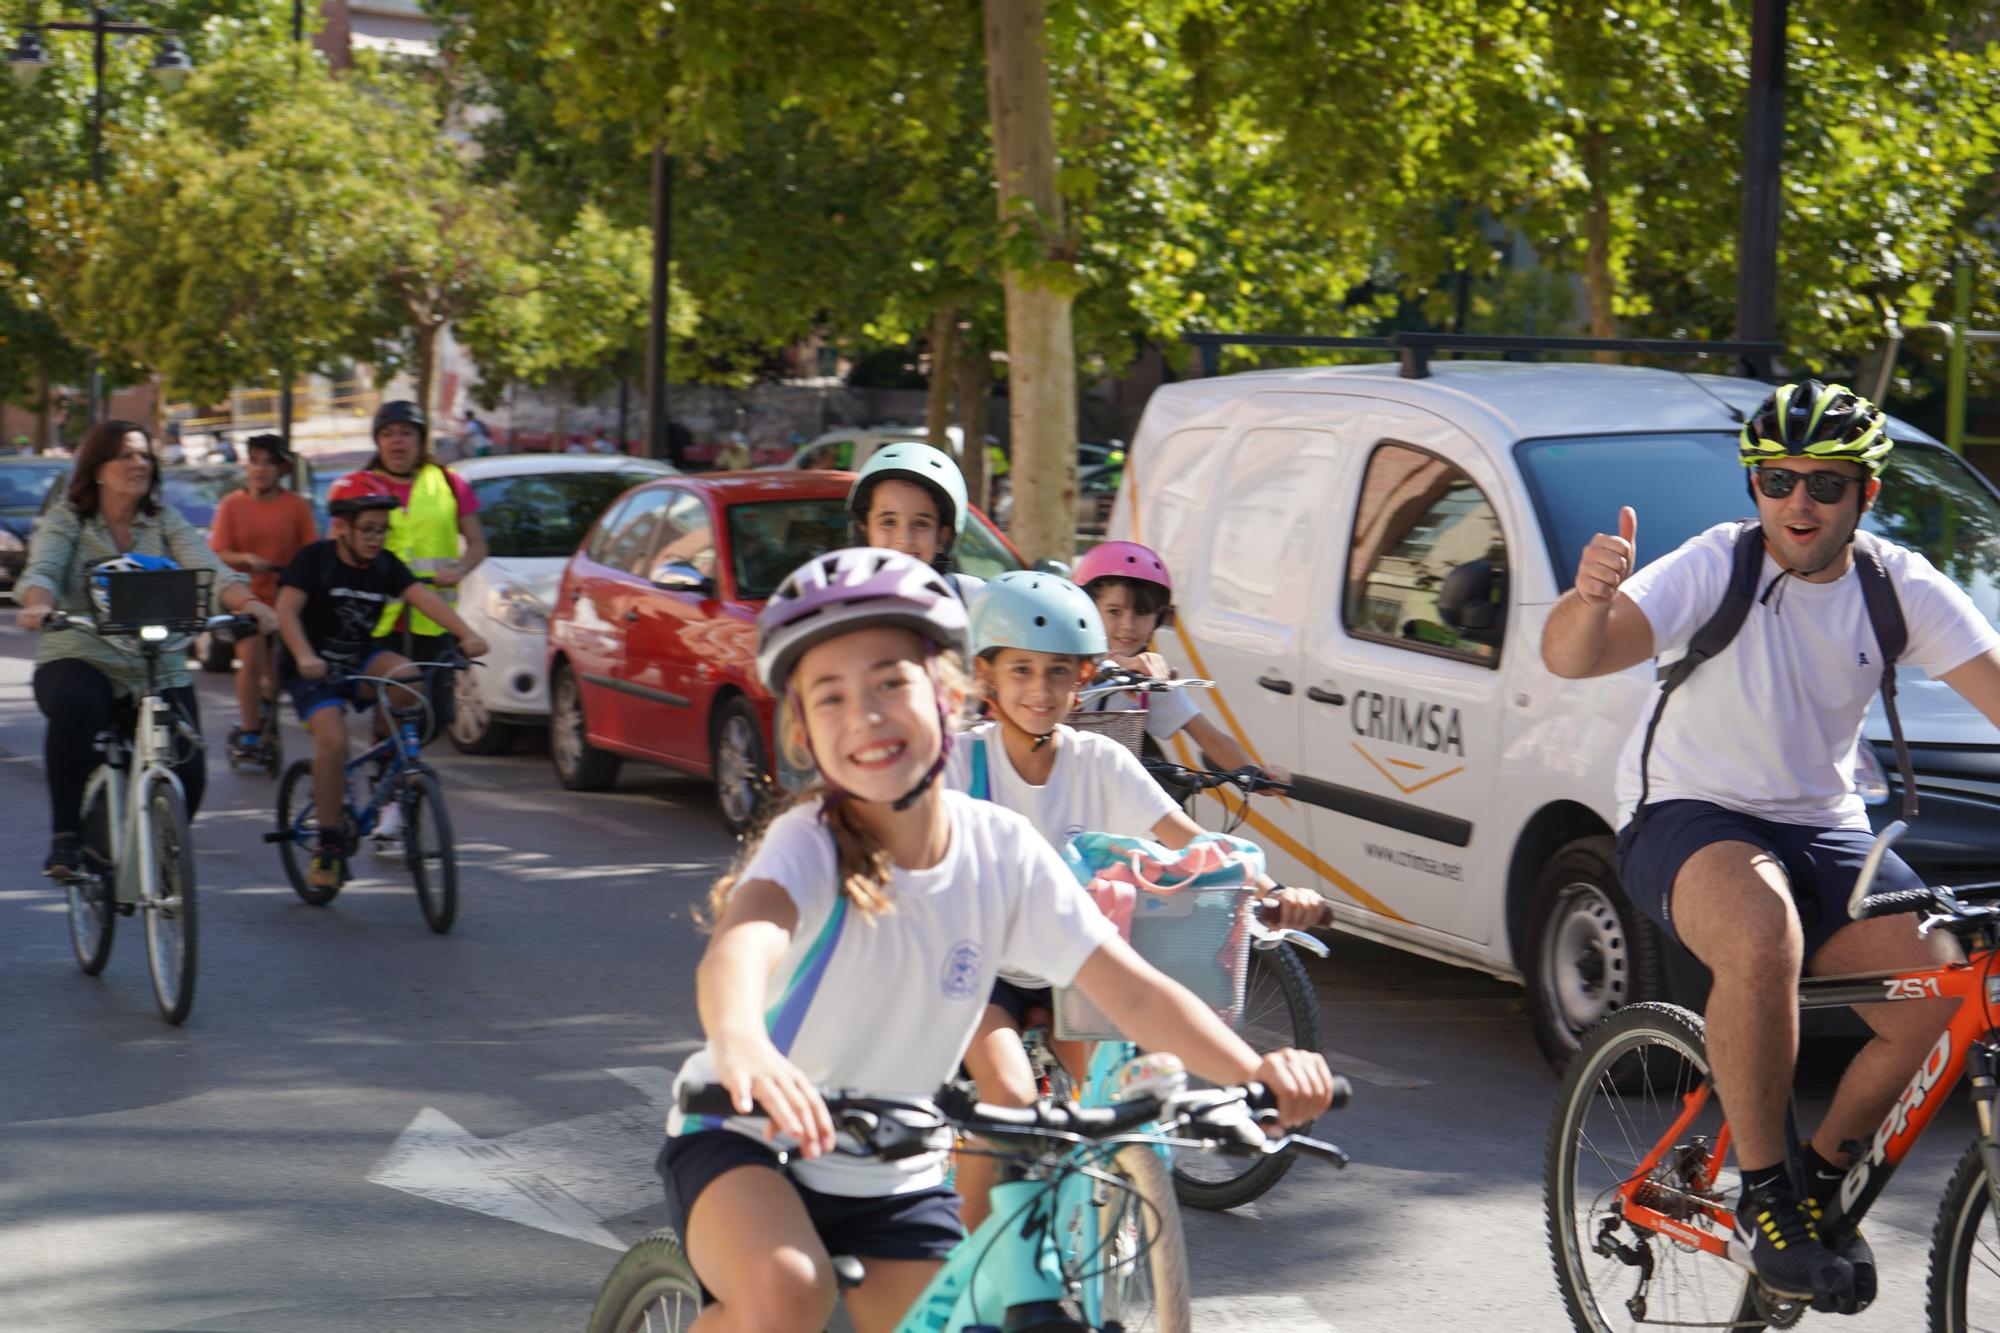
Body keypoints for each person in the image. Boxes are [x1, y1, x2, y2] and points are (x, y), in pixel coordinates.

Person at [664, 547, 1337, 1332]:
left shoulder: (1004, 850)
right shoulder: (810, 840)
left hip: (895, 1174)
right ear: (805, 734)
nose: (867, 715)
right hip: (750, 1139)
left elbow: (1127, 987)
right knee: (787, 1293)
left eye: (891, 682)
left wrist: (1255, 1071)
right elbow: (744, 943)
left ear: (948, 695)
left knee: (966, 1317)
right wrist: (742, 1041)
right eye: (830, 697)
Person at [1540, 380, 2000, 1311]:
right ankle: (1768, 1196)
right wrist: (1589, 598)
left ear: (1865, 496)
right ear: (1755, 488)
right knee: (1762, 936)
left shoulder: (1896, 584)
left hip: (1825, 825)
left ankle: (1820, 1185)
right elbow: (1575, 656)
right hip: (1686, 812)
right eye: (1777, 479)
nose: (1799, 501)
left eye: (1825, 485)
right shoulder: (1717, 566)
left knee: (1940, 996)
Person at [941, 569, 1328, 1229]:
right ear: (986, 676)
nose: (1040, 689)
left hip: (1078, 970)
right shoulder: (959, 761)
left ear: (1085, 677)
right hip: (983, 973)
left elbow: (1196, 843)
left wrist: (1272, 891)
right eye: (1022, 670)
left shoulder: (1101, 761)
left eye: (1058, 672)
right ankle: (964, 1270)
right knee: (1005, 1093)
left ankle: (1090, 1234)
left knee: (1113, 1101)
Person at [14, 420, 278, 878]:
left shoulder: (164, 521)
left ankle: (144, 858)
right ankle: (66, 840)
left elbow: (209, 569)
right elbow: (44, 570)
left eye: (144, 455)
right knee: (77, 706)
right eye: (126, 455)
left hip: (157, 664)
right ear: (98, 468)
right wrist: (38, 606)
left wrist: (251, 603)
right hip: (81, 654)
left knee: (190, 774)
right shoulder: (68, 520)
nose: (139, 464)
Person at [276, 494, 489, 890]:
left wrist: (467, 634)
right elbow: (286, 611)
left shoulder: (384, 565)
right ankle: (327, 844)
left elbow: (422, 598)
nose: (376, 539)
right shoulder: (315, 559)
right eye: (368, 530)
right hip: (313, 667)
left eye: (383, 531)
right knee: (333, 742)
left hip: (357, 658)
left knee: (409, 679)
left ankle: (394, 761)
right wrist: (304, 655)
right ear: (344, 528)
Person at [328, 399, 487, 839]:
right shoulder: (361, 486)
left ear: (421, 440)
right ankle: (389, 797)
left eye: (406, 433)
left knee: (436, 714)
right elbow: (335, 544)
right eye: (389, 434)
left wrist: (460, 568)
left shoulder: (450, 484)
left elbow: (476, 543)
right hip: (381, 620)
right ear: (378, 442)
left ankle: (397, 777)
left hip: (433, 619)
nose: (398, 442)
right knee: (395, 706)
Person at [1073, 539, 1290, 785]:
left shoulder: (1145, 679)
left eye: (1142, 613)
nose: (1128, 625)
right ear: (1085, 609)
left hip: (1109, 800)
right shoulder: (1061, 664)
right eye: (1114, 612)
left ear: (1158, 618)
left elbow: (1210, 738)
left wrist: (1256, 773)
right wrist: (1117, 663)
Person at [208, 434, 318, 757]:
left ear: (282, 468)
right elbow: (217, 553)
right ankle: (250, 730)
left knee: (275, 674)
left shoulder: (296, 506)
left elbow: (311, 551)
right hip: (246, 596)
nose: (260, 469)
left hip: (284, 598)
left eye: (269, 463)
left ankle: (267, 705)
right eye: (254, 461)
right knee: (251, 659)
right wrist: (247, 560)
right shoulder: (232, 505)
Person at [846, 441, 985, 604]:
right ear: (865, 529)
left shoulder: (972, 598)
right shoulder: (840, 602)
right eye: (888, 522)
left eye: (921, 523)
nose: (904, 540)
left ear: (942, 536)